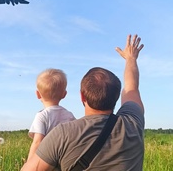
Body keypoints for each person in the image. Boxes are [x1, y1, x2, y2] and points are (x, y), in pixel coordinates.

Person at [21, 34, 145, 171]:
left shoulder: (62, 134)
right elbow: (131, 88)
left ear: (82, 97)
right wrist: (131, 58)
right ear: (116, 96)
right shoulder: (133, 122)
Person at [26, 68, 75, 161]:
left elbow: (37, 142)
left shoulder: (42, 116)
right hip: (65, 161)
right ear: (64, 94)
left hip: (47, 161)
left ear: (38, 94)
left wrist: (29, 165)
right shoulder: (70, 116)